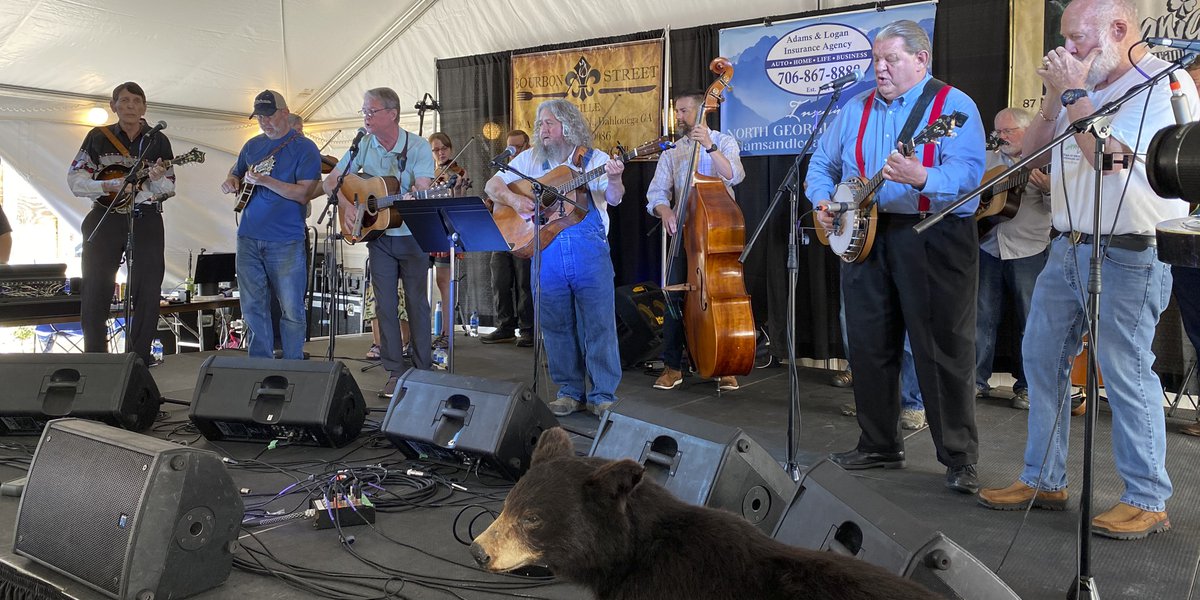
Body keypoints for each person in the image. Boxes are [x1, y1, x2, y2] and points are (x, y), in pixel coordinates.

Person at [978, 0, 1197, 540]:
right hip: (1068, 245)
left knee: (1124, 371)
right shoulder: (1086, 86)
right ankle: (1043, 478)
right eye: (1066, 39)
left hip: (1130, 250)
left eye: (1077, 38)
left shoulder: (1161, 85)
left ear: (1119, 29)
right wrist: (1055, 96)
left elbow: (1113, 161)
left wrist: (1074, 92)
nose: (1068, 50)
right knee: (1041, 357)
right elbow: (1031, 159)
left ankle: (1147, 498)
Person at [806, 20, 986, 495]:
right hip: (864, 233)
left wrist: (921, 175)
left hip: (933, 234)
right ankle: (879, 443)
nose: (879, 68)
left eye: (891, 59)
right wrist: (824, 200)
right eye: (875, 59)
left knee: (940, 347)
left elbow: (971, 173)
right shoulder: (854, 108)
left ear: (921, 60)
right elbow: (822, 163)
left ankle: (959, 457)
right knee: (867, 344)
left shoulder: (953, 106)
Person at [484, 99, 625, 417]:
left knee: (599, 323)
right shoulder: (530, 158)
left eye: (549, 123)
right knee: (556, 324)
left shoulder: (594, 158)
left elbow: (614, 198)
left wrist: (615, 178)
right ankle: (569, 391)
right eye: (540, 124)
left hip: (588, 248)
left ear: (568, 126)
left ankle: (602, 394)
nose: (542, 130)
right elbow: (492, 184)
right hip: (545, 248)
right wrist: (514, 201)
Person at [324, 87, 435, 397]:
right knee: (384, 307)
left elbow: (425, 186)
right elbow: (330, 180)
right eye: (364, 112)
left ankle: (423, 370)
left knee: (417, 305)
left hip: (412, 236)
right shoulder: (364, 143)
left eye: (370, 111)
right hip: (379, 237)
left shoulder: (418, 147)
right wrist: (349, 210)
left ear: (392, 114)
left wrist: (417, 195)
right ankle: (395, 372)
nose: (365, 117)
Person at [67, 81, 175, 366]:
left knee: (148, 288)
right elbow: (75, 180)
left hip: (146, 216)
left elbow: (168, 187)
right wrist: (111, 185)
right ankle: (95, 359)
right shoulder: (97, 137)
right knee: (96, 286)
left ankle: (138, 358)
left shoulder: (158, 141)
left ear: (144, 107)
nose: (130, 106)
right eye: (124, 101)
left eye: (136, 101)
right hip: (105, 216)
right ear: (113, 106)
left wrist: (155, 179)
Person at [648, 90, 746, 392]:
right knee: (674, 300)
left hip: (716, 236)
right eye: (676, 111)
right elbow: (656, 193)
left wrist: (710, 146)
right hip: (685, 236)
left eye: (684, 111)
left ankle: (724, 363)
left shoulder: (724, 141)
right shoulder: (672, 151)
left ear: (704, 110)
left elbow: (735, 175)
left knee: (721, 301)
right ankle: (674, 366)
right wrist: (664, 210)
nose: (678, 116)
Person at [220, 90, 320, 360]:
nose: (265, 122)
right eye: (260, 117)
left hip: (286, 240)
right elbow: (236, 171)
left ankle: (293, 364)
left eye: (270, 115)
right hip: (249, 237)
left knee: (291, 308)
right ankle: (260, 364)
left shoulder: (305, 148)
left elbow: (303, 193)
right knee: (252, 306)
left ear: (285, 113)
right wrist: (231, 181)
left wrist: (266, 181)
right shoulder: (252, 146)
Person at [974, 108, 1052, 410]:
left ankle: (1028, 387)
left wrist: (1048, 189)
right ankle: (976, 382)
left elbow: (1060, 210)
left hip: (1028, 249)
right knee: (981, 319)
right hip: (988, 245)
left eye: (1008, 131)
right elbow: (971, 197)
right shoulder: (988, 161)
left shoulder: (1044, 160)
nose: (1001, 137)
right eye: (998, 132)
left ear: (1028, 129)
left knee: (1030, 322)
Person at [483, 129, 535, 347]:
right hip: (502, 231)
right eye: (509, 148)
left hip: (524, 232)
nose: (513, 152)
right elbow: (492, 193)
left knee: (524, 282)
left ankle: (527, 329)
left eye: (518, 147)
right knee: (500, 281)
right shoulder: (504, 172)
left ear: (527, 146)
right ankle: (505, 326)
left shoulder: (530, 169)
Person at [429, 131, 471, 349]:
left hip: (445, 230)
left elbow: (459, 205)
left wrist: (457, 189)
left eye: (444, 148)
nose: (440, 152)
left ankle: (446, 333)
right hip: (427, 226)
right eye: (436, 149)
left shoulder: (458, 172)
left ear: (451, 149)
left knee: (444, 283)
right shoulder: (428, 172)